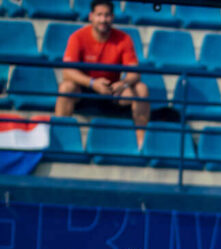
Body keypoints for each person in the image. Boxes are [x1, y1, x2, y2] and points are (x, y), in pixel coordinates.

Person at [55, 0, 150, 145]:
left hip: (112, 90)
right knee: (66, 87)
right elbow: (67, 71)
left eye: (107, 15)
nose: (103, 19)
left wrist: (123, 83)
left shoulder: (124, 39)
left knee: (141, 89)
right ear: (91, 16)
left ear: (112, 17)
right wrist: (92, 83)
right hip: (85, 89)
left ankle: (141, 142)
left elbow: (135, 73)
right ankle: (60, 139)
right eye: (99, 15)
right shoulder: (78, 37)